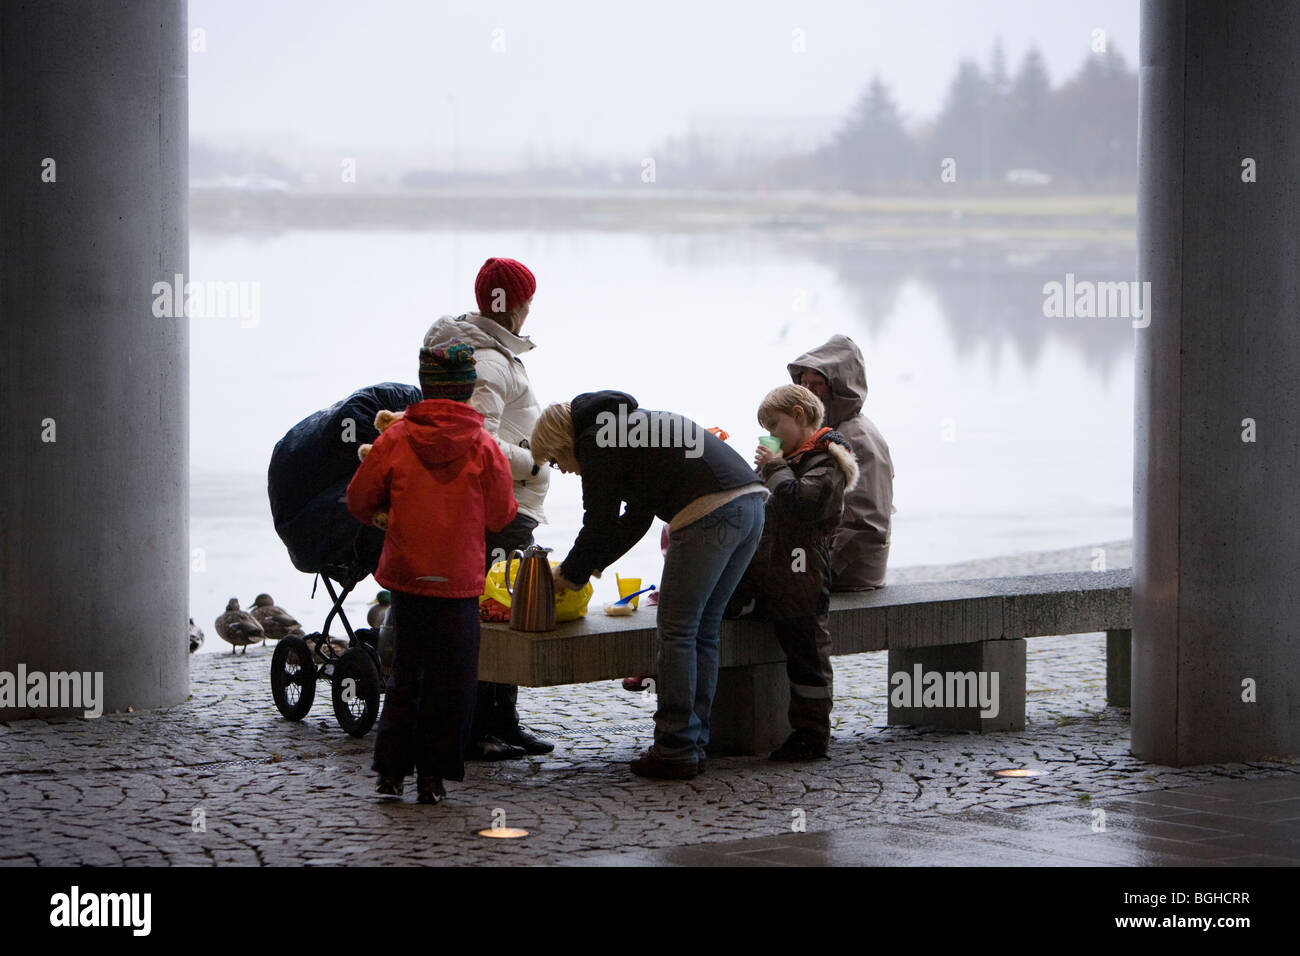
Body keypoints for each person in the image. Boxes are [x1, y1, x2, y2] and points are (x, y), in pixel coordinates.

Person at [530, 391, 766, 779]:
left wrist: (568, 575)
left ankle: (674, 748)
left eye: (556, 460)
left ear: (563, 441)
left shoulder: (595, 440)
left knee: (676, 632)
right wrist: (591, 569)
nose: (566, 470)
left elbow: (599, 521)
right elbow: (637, 518)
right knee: (702, 632)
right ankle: (693, 742)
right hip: (751, 504)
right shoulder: (629, 428)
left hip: (708, 512)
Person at [347, 342, 517, 804]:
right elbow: (503, 514)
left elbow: (359, 499)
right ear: (468, 390)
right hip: (458, 582)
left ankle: (390, 773)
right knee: (452, 679)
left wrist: (392, 514)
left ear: (425, 385)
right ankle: (433, 780)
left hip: (408, 578)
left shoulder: (396, 437)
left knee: (406, 674)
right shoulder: (483, 444)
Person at [422, 256, 554, 760]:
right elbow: (477, 440)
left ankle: (503, 720)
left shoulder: (487, 351)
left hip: (503, 508)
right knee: (493, 616)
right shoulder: (491, 360)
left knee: (500, 610)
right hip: (499, 508)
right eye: (529, 300)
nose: (530, 309)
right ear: (517, 305)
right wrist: (537, 463)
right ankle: (479, 727)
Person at [746, 384, 858, 760]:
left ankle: (811, 734)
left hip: (804, 575)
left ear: (798, 415)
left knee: (807, 655)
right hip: (774, 572)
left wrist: (773, 466)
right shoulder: (794, 459)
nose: (771, 434)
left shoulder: (828, 460)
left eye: (774, 425)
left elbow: (801, 505)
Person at [787, 335, 895, 590]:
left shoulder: (857, 436)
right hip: (828, 560)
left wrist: (824, 572)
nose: (808, 393)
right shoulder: (825, 430)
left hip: (849, 571)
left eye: (818, 384)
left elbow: (868, 521)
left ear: (840, 387)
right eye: (804, 383)